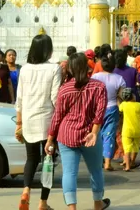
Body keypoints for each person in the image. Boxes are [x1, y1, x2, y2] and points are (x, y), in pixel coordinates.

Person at [45, 53, 110, 210]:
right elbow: (100, 113)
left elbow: (58, 116)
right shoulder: (99, 87)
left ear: (70, 69)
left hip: (66, 135)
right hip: (90, 135)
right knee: (95, 171)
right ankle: (97, 204)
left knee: (69, 173)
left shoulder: (64, 89)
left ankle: (72, 208)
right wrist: (94, 132)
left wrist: (50, 139)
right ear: (86, 66)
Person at [16, 33, 62, 210]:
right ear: (47, 50)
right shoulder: (54, 69)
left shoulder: (25, 69)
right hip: (47, 121)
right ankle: (43, 202)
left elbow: (19, 99)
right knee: (48, 162)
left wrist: (18, 124)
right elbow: (55, 98)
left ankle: (26, 190)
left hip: (28, 119)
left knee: (31, 158)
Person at [91, 54, 125, 171]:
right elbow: (121, 96)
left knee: (96, 134)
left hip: (96, 109)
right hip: (112, 108)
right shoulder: (119, 78)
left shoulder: (95, 77)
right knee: (109, 135)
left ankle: (97, 160)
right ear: (114, 65)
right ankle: (107, 163)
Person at [118, 87, 140, 172]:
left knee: (127, 148)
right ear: (132, 96)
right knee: (135, 147)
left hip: (126, 130)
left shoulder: (124, 105)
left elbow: (119, 108)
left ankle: (127, 166)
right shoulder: (139, 105)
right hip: (137, 130)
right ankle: (133, 162)